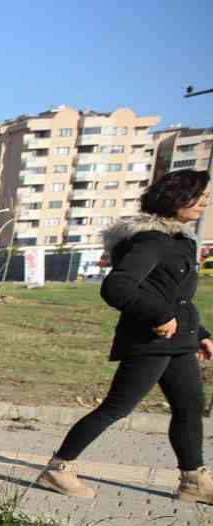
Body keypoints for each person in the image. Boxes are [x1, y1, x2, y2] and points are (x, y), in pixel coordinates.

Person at [36, 170, 212, 504]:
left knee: (190, 408)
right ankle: (58, 468)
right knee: (116, 407)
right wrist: (159, 316)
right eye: (198, 197)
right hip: (150, 340)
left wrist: (201, 334)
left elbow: (174, 297)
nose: (204, 203)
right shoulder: (151, 240)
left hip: (179, 342)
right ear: (175, 198)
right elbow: (117, 287)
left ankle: (193, 481)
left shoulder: (182, 241)